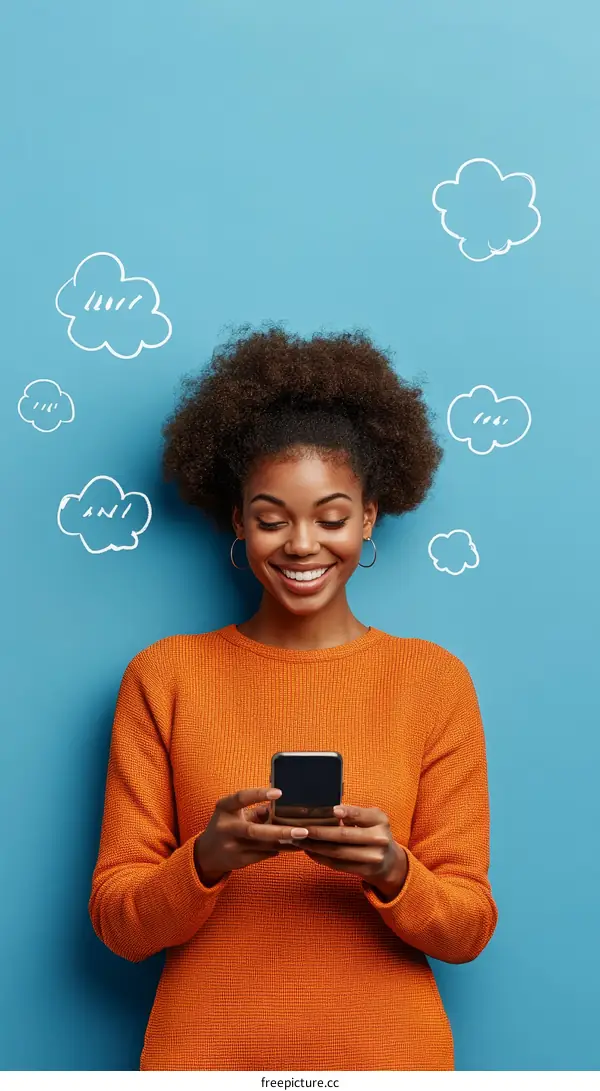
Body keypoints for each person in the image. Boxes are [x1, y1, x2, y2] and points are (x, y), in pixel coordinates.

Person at [88, 324, 498, 1072]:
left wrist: (392, 870)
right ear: (238, 522)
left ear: (370, 517)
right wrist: (205, 860)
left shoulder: (434, 681)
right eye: (272, 518)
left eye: (332, 517)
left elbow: (468, 927)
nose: (302, 543)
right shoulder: (165, 675)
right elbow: (119, 922)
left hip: (389, 1058)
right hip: (204, 1056)